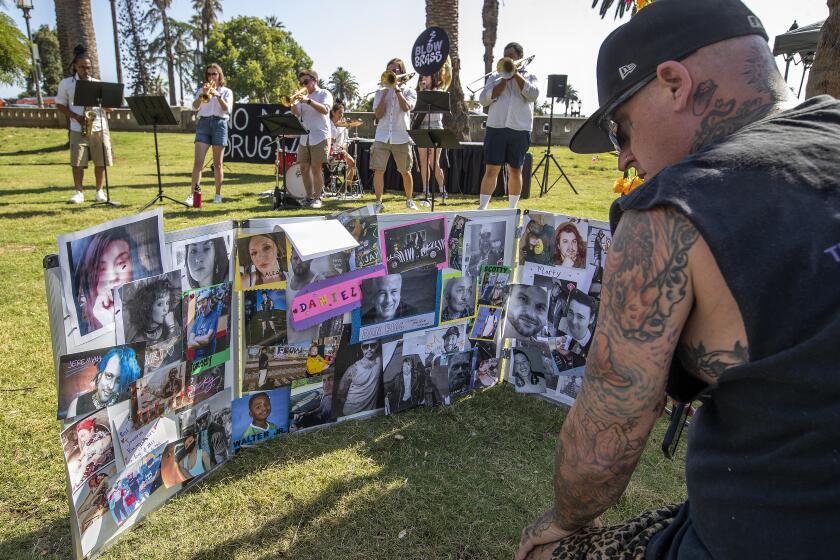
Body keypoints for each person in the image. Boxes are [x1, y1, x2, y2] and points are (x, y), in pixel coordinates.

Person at [515, 1, 840, 559]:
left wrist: (562, 520)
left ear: (673, 83)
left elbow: (606, 437)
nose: (625, 160)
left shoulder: (672, 213)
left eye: (622, 130)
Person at [477, 42, 539, 210]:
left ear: (519, 57)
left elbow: (533, 95)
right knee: (491, 169)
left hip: (520, 128)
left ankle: (512, 208)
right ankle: (482, 208)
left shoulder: (530, 75)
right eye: (505, 55)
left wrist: (516, 76)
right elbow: (483, 100)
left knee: (515, 169)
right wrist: (503, 81)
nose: (508, 58)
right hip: (496, 126)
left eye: (511, 55)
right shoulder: (495, 77)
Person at [55, 47, 114, 204]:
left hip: (99, 126)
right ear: (75, 66)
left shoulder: (98, 83)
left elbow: (110, 109)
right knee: (77, 161)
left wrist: (102, 101)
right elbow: (60, 105)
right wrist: (75, 117)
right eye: (82, 67)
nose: (86, 70)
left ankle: (99, 191)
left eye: (88, 67)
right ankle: (78, 192)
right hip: (77, 127)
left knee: (100, 161)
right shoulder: (66, 83)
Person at [73, 228, 155, 336]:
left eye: (122, 265)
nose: (113, 278)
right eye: (101, 269)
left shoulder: (151, 303)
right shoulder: (81, 324)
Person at [371, 58, 418, 213]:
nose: (392, 72)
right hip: (382, 135)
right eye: (389, 69)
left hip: (401, 136)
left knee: (405, 171)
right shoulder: (380, 91)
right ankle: (378, 202)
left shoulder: (409, 91)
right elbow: (378, 114)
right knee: (378, 170)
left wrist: (397, 89)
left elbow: (406, 108)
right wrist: (385, 93)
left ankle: (409, 200)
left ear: (401, 72)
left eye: (395, 70)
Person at [186, 63, 232, 205]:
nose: (211, 76)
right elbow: (194, 106)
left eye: (214, 74)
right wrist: (202, 95)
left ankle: (217, 195)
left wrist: (217, 96)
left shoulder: (226, 91)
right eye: (209, 74)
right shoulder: (202, 89)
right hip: (204, 124)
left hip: (220, 124)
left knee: (218, 164)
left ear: (219, 75)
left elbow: (227, 109)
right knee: (198, 163)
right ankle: (194, 195)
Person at [291, 69, 333, 208]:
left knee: (316, 168)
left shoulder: (324, 93)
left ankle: (317, 198)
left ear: (315, 80)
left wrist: (308, 100)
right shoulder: (302, 97)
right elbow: (296, 114)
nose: (303, 84)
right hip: (305, 136)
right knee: (303, 168)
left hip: (320, 135)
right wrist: (293, 102)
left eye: (306, 81)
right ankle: (309, 197)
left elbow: (325, 110)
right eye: (301, 82)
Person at [67, 346, 142, 417]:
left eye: (119, 381)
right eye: (109, 376)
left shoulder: (128, 401)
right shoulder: (76, 405)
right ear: (100, 374)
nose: (111, 386)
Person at [415, 73, 447, 203]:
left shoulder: (439, 92)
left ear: (432, 78)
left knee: (434, 162)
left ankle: (442, 191)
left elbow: (440, 112)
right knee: (423, 161)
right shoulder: (418, 93)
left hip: (435, 127)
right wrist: (422, 93)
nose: (424, 79)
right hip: (422, 127)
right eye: (422, 77)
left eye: (426, 77)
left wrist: (427, 93)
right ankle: (425, 191)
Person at [127, 277, 178, 343]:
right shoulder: (138, 340)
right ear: (148, 306)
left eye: (167, 303)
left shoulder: (172, 323)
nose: (166, 309)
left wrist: (171, 327)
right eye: (160, 304)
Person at [338, 341, 382, 416]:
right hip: (350, 412)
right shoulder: (353, 368)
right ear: (361, 347)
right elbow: (341, 390)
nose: (369, 349)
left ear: (377, 345)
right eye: (365, 346)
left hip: (369, 413)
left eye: (372, 345)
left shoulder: (380, 361)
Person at [556, 289, 596, 367]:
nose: (573, 321)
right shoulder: (562, 322)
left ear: (591, 319)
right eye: (571, 312)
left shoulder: (592, 346)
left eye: (580, 317)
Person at [329, 99, 357, 188]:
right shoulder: (327, 124)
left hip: (340, 151)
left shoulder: (343, 125)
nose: (341, 115)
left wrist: (344, 147)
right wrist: (329, 140)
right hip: (328, 150)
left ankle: (347, 186)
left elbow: (346, 140)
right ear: (333, 112)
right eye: (340, 112)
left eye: (342, 113)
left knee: (352, 163)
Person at [187, 291, 221, 361]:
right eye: (199, 304)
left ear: (209, 301)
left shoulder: (215, 316)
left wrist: (195, 338)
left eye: (203, 302)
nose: (201, 306)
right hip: (196, 359)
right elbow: (190, 344)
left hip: (208, 360)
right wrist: (204, 342)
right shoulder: (197, 319)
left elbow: (207, 339)